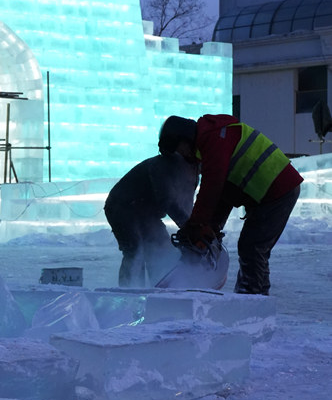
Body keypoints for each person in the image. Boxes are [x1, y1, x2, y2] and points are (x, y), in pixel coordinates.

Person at [158, 114, 303, 295]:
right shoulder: (213, 138)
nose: (183, 155)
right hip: (268, 191)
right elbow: (223, 194)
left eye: (180, 150)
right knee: (251, 246)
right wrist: (210, 227)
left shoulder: (213, 139)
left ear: (185, 137)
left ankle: (253, 298)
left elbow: (212, 187)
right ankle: (250, 295)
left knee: (252, 246)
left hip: (278, 190)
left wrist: (196, 225)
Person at [104, 153, 198, 287]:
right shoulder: (162, 166)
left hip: (146, 213)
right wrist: (189, 229)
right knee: (135, 251)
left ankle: (159, 289)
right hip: (122, 207)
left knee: (162, 250)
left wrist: (195, 227)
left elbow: (186, 205)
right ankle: (130, 292)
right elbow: (168, 202)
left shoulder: (192, 174)